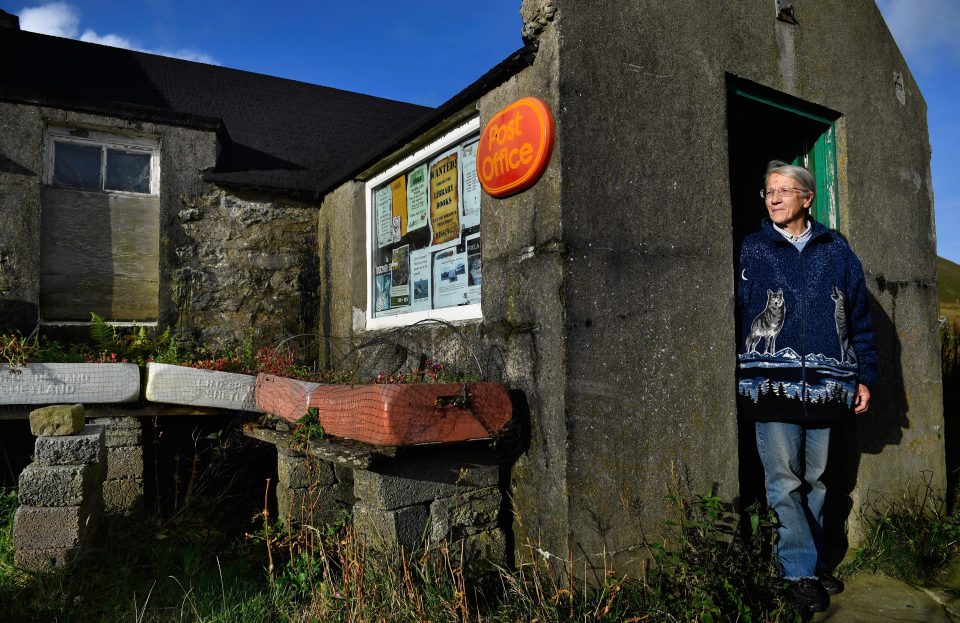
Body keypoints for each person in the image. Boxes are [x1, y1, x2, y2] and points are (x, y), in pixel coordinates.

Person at [736, 160, 877, 614]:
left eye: (783, 190)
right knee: (783, 482)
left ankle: (810, 565)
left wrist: (865, 377)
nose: (773, 198)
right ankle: (797, 571)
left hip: (826, 387)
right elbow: (735, 315)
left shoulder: (836, 249)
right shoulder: (752, 249)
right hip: (770, 386)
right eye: (768, 191)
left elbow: (859, 319)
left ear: (807, 198)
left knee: (817, 481)